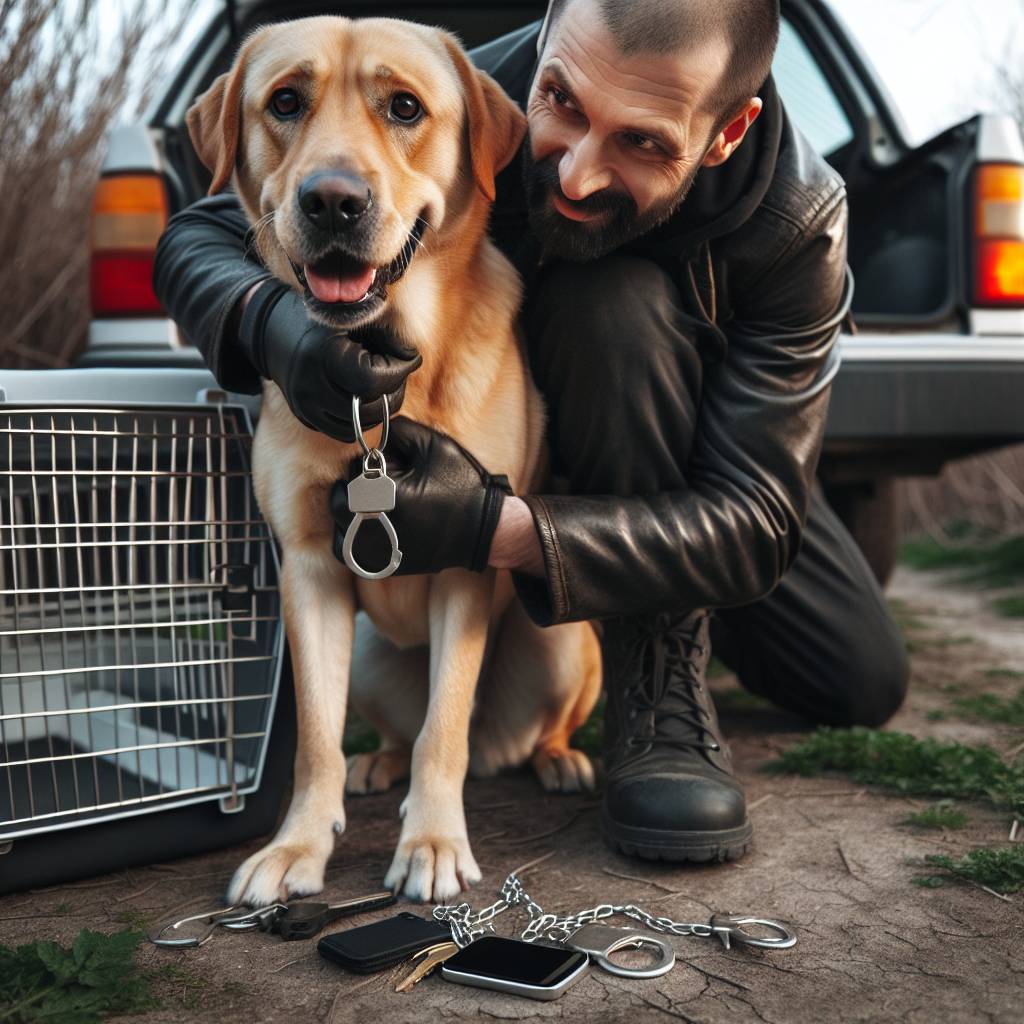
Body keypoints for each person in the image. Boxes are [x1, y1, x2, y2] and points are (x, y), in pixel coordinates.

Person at [153, 0, 910, 865]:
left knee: (862, 678)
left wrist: (499, 529)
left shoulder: (799, 222)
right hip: (512, 424)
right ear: (549, 34)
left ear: (728, 133)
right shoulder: (461, 91)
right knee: (600, 309)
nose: (578, 175)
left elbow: (755, 517)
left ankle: (658, 641)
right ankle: (643, 692)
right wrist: (271, 327)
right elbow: (203, 230)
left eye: (644, 143)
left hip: (694, 469)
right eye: (565, 103)